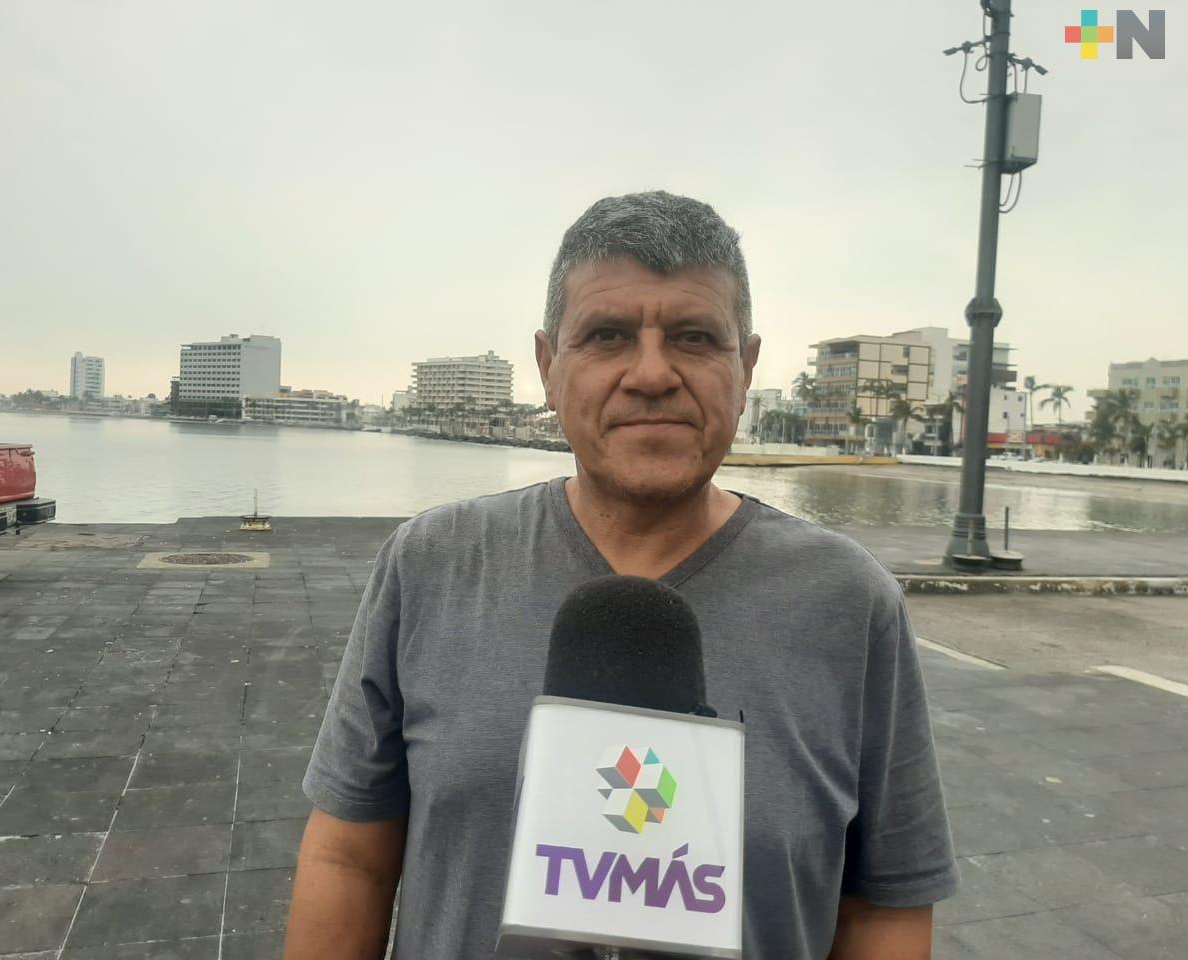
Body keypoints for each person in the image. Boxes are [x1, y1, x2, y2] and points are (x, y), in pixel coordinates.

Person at [284, 191, 959, 960]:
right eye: (607, 336)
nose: (651, 374)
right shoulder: (431, 565)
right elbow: (349, 857)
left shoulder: (849, 603)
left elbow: (884, 905)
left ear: (745, 368)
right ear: (549, 367)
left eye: (694, 337)